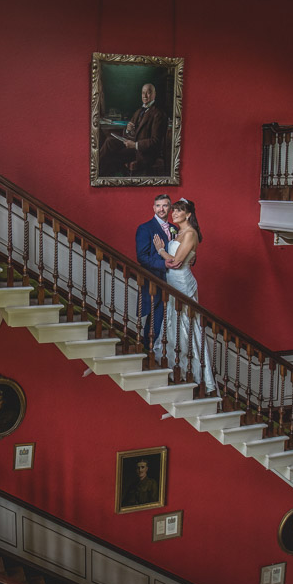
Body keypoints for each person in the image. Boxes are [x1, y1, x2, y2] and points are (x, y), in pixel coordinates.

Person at [151, 198, 216, 394]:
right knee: (173, 319)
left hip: (182, 282)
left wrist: (161, 250)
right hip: (172, 282)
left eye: (179, 211)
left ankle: (195, 374)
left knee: (186, 324)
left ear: (188, 214)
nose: (174, 213)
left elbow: (177, 262)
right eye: (174, 210)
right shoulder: (179, 232)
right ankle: (174, 365)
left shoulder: (190, 233)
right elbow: (188, 257)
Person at [98, 83, 166, 176]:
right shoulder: (138, 111)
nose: (145, 96)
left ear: (155, 94)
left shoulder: (158, 114)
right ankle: (95, 169)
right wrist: (128, 130)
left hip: (144, 153)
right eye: (143, 93)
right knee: (110, 141)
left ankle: (97, 173)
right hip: (133, 147)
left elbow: (156, 142)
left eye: (148, 93)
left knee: (111, 157)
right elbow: (130, 135)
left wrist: (135, 145)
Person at [135, 194, 174, 349]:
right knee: (155, 319)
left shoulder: (175, 228)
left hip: (174, 281)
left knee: (171, 319)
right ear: (153, 208)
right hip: (155, 280)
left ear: (170, 208)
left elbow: (181, 252)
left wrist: (191, 259)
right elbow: (142, 257)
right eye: (158, 205)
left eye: (165, 205)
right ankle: (148, 351)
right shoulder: (145, 228)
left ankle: (165, 353)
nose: (161, 209)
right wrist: (163, 263)